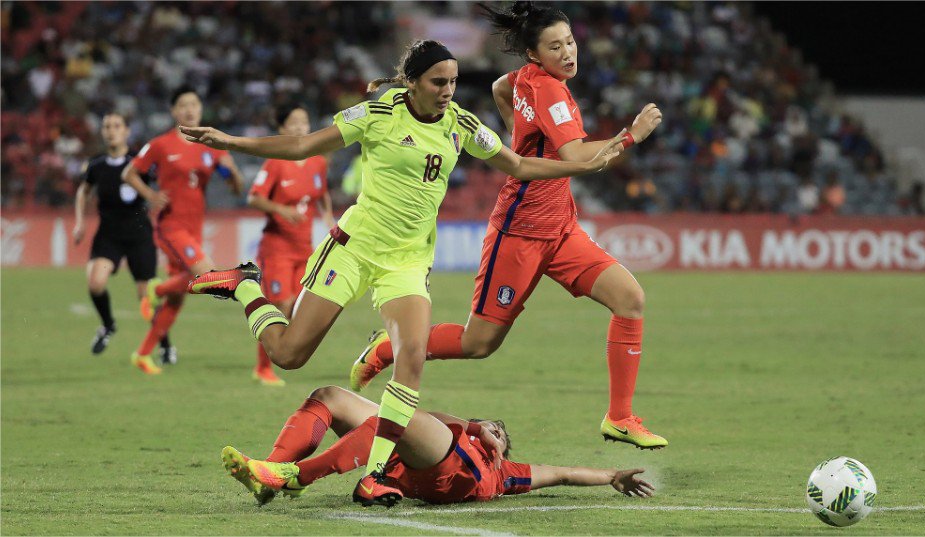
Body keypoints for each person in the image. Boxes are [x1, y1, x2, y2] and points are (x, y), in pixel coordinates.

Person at [181, 39, 626, 507]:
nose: (448, 91)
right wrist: (232, 142)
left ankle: (375, 474)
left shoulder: (461, 125)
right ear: (412, 83)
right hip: (354, 250)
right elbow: (301, 145)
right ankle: (245, 285)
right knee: (289, 354)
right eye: (438, 82)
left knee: (411, 355)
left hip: (408, 264)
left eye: (453, 81)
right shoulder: (376, 114)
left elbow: (515, 164)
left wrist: (583, 164)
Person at [351, 2, 668, 450]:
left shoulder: (528, 79)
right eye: (555, 47)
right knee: (478, 343)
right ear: (535, 55)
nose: (569, 52)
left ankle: (620, 417)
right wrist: (633, 133)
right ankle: (388, 347)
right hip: (519, 233)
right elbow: (579, 158)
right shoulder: (550, 91)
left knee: (630, 298)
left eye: (571, 41)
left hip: (560, 228)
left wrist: (518, 143)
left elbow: (502, 87)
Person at [221, 385, 655, 507]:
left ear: (503, 445)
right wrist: (475, 423)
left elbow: (561, 473)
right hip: (412, 464)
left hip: (450, 473)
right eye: (493, 425)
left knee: (398, 416)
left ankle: (298, 476)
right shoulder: (463, 429)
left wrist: (612, 476)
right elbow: (436, 420)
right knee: (330, 396)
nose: (496, 432)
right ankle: (269, 477)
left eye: (501, 433)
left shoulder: (504, 471)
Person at [121, 86, 245, 374]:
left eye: (195, 104)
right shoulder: (160, 145)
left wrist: (232, 168)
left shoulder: (211, 146)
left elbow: (235, 186)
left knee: (177, 299)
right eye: (184, 105)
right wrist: (150, 196)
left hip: (195, 228)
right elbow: (129, 173)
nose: (190, 110)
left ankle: (142, 354)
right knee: (208, 274)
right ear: (174, 111)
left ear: (200, 110)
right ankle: (157, 289)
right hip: (171, 225)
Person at [246, 104, 336, 386]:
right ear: (282, 129)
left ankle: (280, 359)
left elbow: (321, 193)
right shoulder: (275, 161)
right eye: (294, 122)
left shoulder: (317, 161)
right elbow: (254, 198)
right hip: (277, 248)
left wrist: (329, 216)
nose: (300, 127)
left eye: (304, 121)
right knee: (281, 304)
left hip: (304, 249)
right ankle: (262, 368)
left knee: (298, 308)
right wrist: (280, 210)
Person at [72, 113, 172, 356]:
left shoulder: (139, 162)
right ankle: (108, 326)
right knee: (96, 283)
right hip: (108, 235)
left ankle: (165, 345)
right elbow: (83, 192)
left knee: (145, 297)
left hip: (139, 235)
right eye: (106, 126)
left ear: (127, 131)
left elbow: (164, 183)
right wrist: (79, 222)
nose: (111, 130)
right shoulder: (96, 165)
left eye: (116, 126)